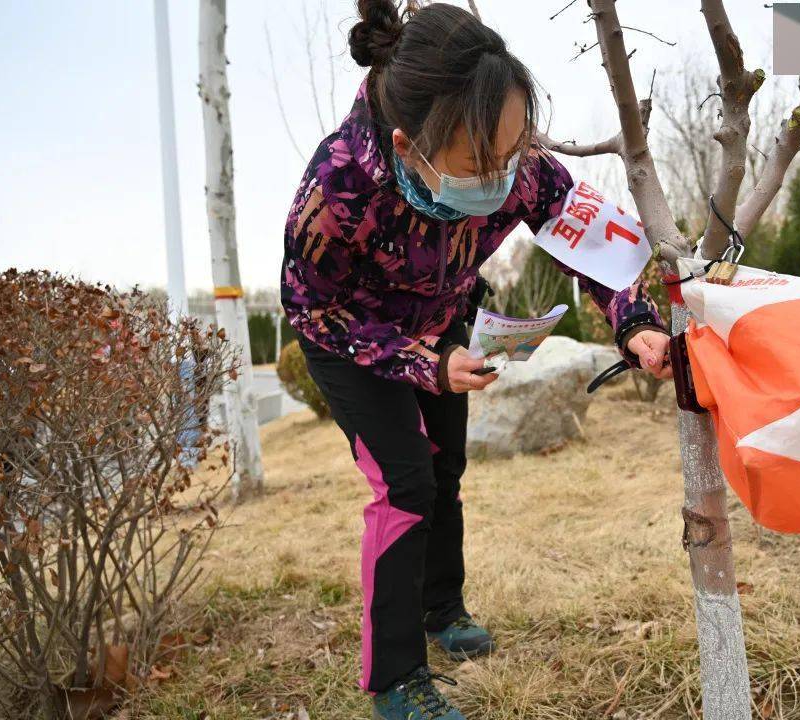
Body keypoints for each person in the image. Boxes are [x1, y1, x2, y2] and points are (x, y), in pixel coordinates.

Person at [281, 2, 671, 718]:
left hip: (444, 324)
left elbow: (594, 242)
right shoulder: (338, 189)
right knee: (404, 485)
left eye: (513, 149)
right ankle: (396, 679)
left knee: (442, 471)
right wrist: (421, 363)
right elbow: (312, 309)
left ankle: (443, 608)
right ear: (409, 147)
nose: (502, 175)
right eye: (477, 163)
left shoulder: (517, 166)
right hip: (353, 339)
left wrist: (635, 324)